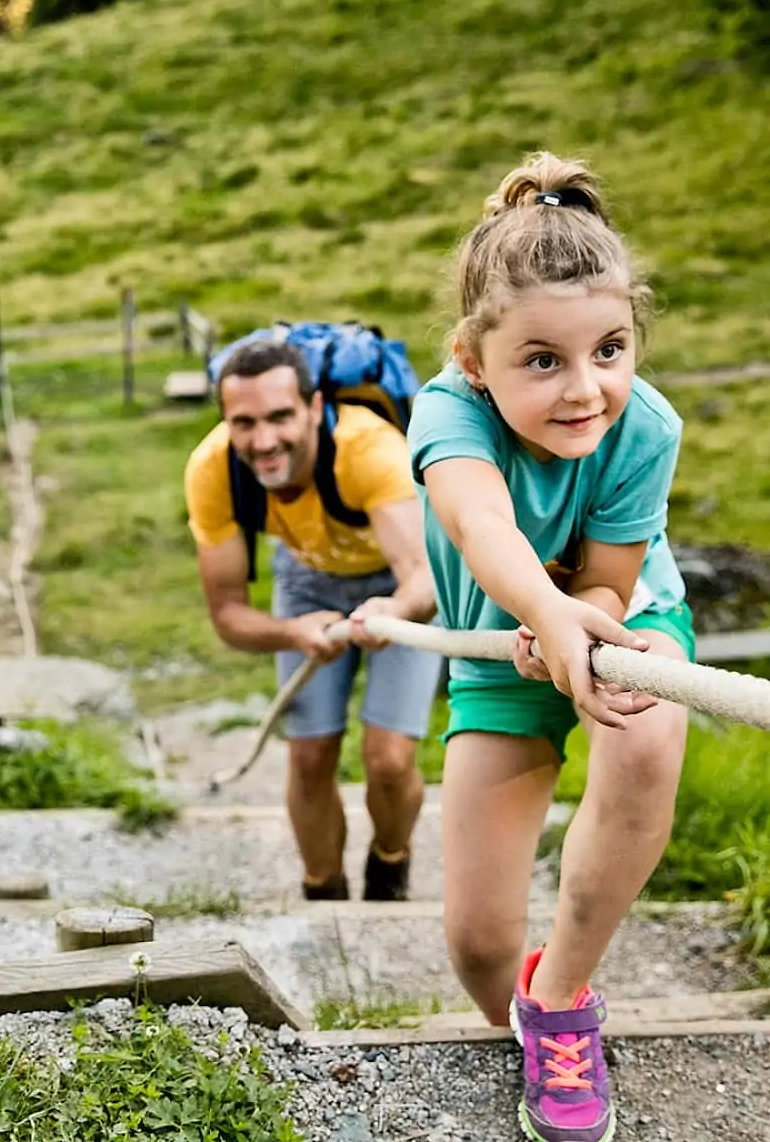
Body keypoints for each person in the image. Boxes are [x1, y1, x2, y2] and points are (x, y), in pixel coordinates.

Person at [408, 152, 693, 1142]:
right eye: (544, 360)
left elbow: (612, 578)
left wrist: (580, 621)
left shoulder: (645, 423)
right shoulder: (446, 411)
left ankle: (566, 1000)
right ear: (473, 358)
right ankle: (526, 1016)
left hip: (620, 622)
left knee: (650, 732)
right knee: (480, 944)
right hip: (498, 649)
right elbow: (483, 525)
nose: (586, 390)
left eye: (610, 349)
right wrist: (540, 621)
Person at [185, 339, 444, 901]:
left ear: (313, 405)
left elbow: (424, 577)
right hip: (306, 576)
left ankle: (389, 866)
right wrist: (291, 632)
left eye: (280, 417)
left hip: (396, 583)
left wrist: (394, 613)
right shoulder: (213, 470)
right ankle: (323, 898)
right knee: (308, 755)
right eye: (244, 423)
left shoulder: (369, 449)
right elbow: (227, 613)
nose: (263, 440)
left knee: (390, 758)